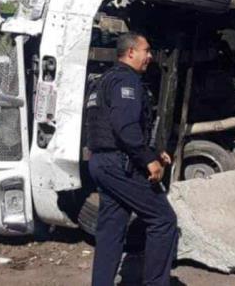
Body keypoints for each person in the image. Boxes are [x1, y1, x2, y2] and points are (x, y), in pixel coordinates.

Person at [86, 33, 178, 286]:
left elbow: (111, 127)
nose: (150, 56)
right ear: (130, 53)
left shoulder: (102, 81)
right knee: (163, 220)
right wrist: (148, 159)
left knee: (111, 230)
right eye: (146, 51)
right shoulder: (127, 81)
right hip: (119, 164)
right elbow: (124, 127)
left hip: (101, 163)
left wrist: (154, 151)